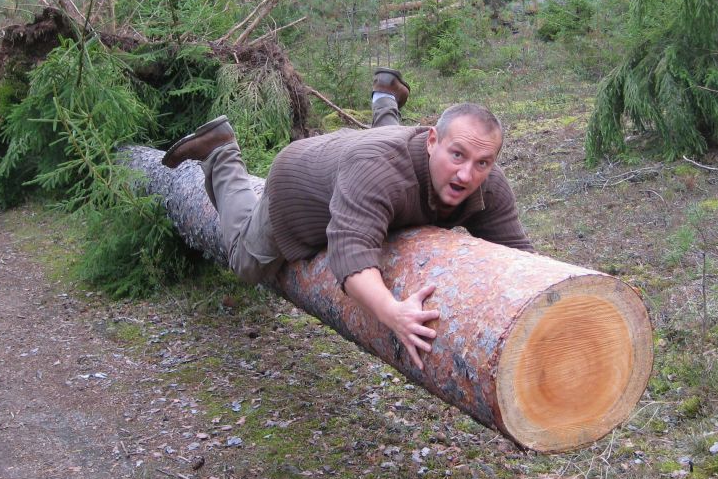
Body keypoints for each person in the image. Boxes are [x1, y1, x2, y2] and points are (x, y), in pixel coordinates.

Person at [162, 68, 533, 369]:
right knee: (246, 261)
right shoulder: (378, 169)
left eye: (482, 162)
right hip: (297, 185)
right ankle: (221, 151)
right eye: (457, 155)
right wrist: (393, 312)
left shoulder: (487, 183)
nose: (467, 175)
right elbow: (350, 252)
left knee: (392, 158)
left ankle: (385, 96)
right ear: (433, 140)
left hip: (363, 160)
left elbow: (520, 255)